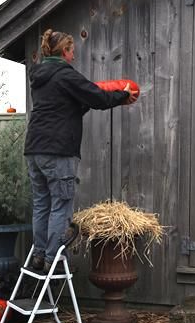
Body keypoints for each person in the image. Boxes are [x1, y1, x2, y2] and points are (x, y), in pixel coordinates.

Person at [24, 28, 138, 273]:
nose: (74, 56)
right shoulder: (65, 74)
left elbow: (70, 106)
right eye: (72, 51)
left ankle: (40, 253)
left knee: (42, 203)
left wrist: (97, 98)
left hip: (34, 148)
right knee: (60, 204)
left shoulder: (40, 76)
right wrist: (123, 95)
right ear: (64, 51)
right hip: (58, 150)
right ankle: (52, 258)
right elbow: (97, 97)